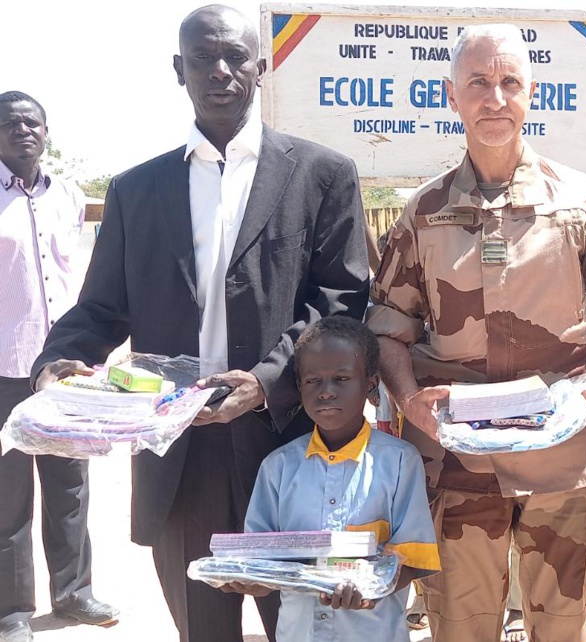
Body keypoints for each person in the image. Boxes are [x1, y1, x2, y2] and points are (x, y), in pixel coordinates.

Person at [30, 6, 369, 642]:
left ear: (260, 68)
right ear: (177, 70)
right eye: (203, 58)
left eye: (236, 57)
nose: (221, 71)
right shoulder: (137, 190)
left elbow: (341, 302)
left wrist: (266, 382)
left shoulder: (322, 174)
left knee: (304, 627)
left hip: (288, 443)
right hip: (177, 454)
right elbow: (103, 308)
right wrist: (61, 360)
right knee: (203, 630)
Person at [368, 24, 586, 642]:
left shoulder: (580, 203)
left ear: (531, 94)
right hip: (458, 471)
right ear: (451, 96)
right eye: (478, 83)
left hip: (566, 471)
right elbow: (387, 331)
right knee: (459, 632)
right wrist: (410, 399)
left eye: (509, 82)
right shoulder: (423, 212)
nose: (494, 98)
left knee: (562, 632)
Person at [225, 317, 439, 642]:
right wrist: (247, 578)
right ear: (299, 388)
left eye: (341, 378)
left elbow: (414, 558)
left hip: (373, 633)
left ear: (370, 386)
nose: (327, 392)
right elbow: (262, 560)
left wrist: (370, 588)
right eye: (313, 381)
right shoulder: (278, 468)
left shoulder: (399, 462)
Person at [0, 91, 117, 642]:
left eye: (33, 122)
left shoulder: (69, 196)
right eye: (10, 123)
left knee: (70, 484)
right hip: (3, 368)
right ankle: (12, 610)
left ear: (47, 132)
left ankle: (74, 594)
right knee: (8, 494)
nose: (23, 130)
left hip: (65, 371)